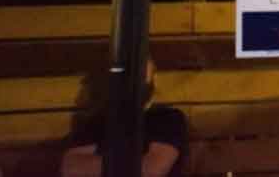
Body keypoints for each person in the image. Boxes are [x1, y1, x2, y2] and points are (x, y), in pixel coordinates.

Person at [60, 58, 188, 177]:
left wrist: (100, 162)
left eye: (141, 74)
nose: (133, 81)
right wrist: (134, 162)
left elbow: (153, 169)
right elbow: (71, 168)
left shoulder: (167, 118)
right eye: (127, 73)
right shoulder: (96, 121)